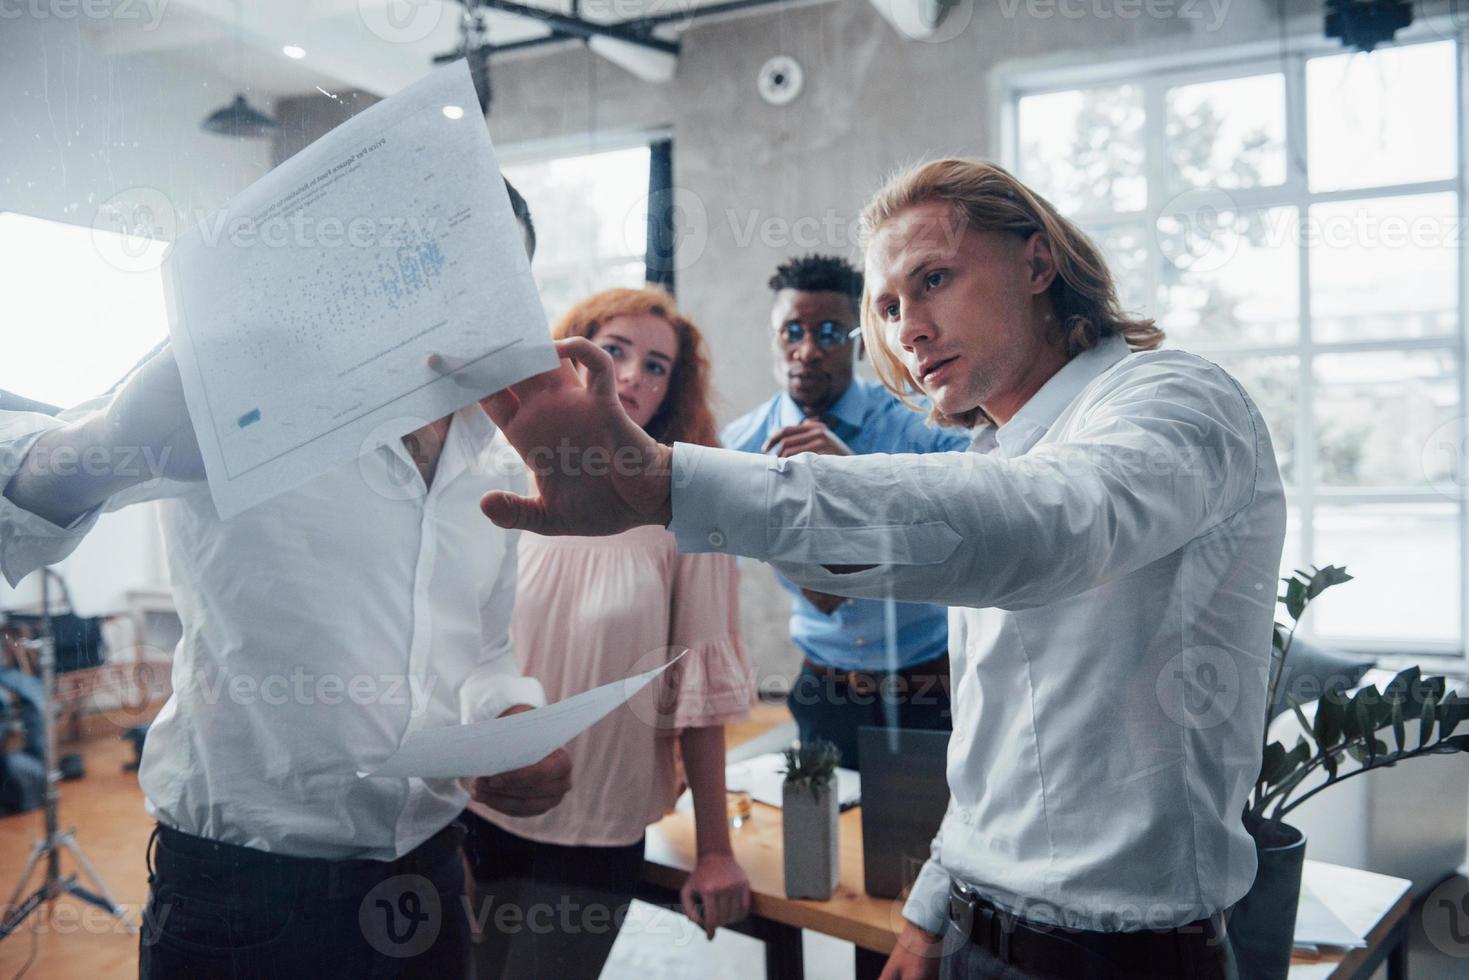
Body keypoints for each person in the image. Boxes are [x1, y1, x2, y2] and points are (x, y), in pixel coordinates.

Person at [465, 159, 1285, 980]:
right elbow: (994, 743)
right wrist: (931, 912)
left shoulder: (1174, 399)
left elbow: (1053, 526)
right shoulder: (991, 450)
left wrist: (669, 484)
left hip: (1125, 961)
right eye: (889, 307)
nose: (908, 330)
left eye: (933, 281)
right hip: (970, 930)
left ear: (1037, 264)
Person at [0, 182, 573, 978]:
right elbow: (18, 477)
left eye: (490, 274)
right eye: (431, 260)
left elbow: (482, 652)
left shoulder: (499, 463)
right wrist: (110, 442)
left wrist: (516, 718)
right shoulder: (247, 409)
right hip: (245, 900)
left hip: (429, 879)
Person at [463, 286, 754, 979]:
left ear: (672, 389)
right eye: (614, 351)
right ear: (570, 360)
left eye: (656, 366)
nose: (629, 376)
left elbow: (700, 692)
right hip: (475, 807)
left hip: (594, 826)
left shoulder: (687, 508)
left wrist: (714, 848)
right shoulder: (506, 482)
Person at [722, 254, 968, 768]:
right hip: (825, 690)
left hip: (933, 684)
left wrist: (857, 480)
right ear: (774, 339)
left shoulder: (918, 422)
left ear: (860, 342)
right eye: (792, 332)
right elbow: (713, 574)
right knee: (827, 837)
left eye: (830, 333)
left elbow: (964, 538)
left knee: (934, 833)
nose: (807, 351)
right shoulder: (739, 449)